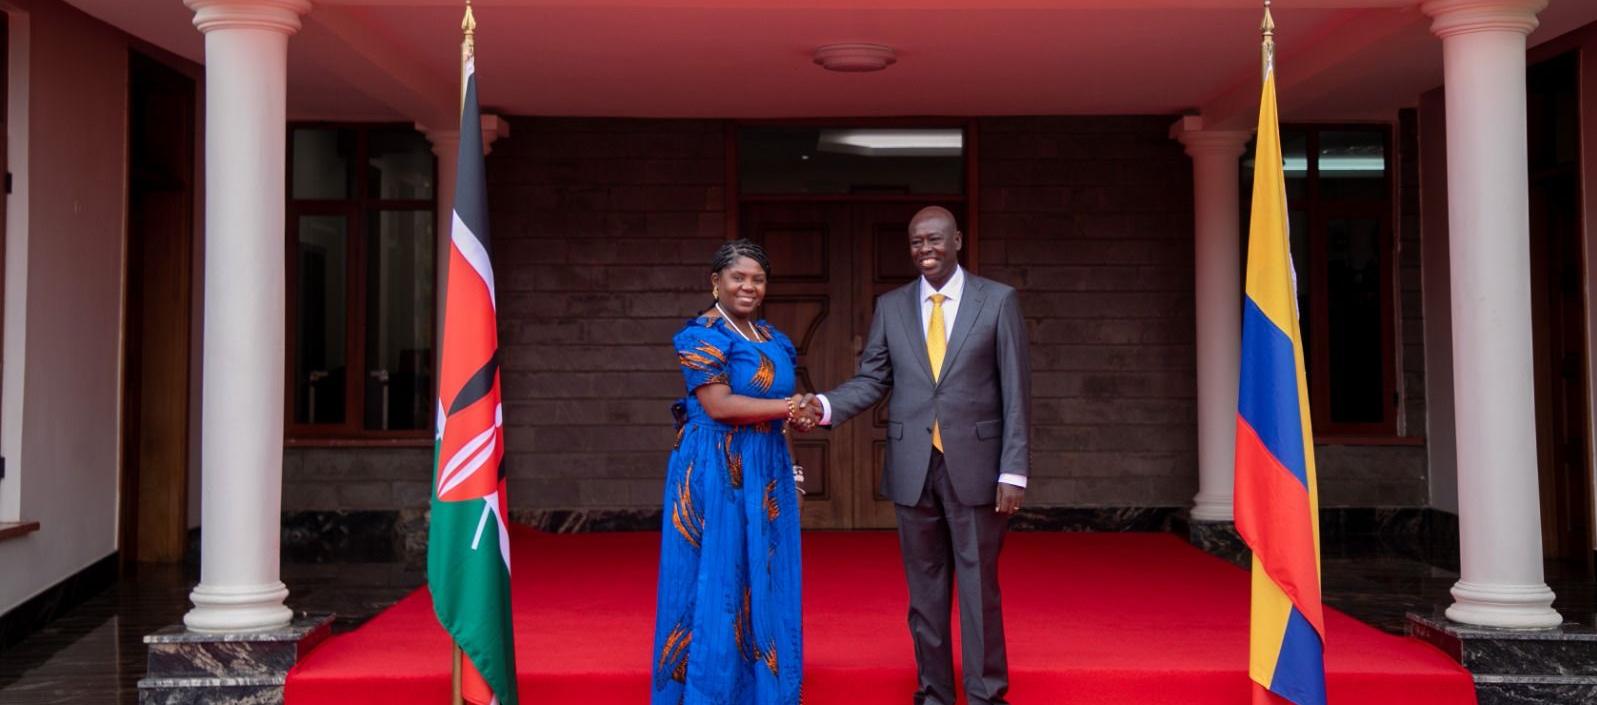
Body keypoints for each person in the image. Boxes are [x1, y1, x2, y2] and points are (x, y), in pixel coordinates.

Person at [810, 206, 1030, 705]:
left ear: (957, 241)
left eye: (934, 239)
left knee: (978, 587)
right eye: (916, 242)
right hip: (913, 466)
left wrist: (1014, 470)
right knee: (925, 591)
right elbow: (872, 379)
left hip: (977, 467)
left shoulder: (997, 301)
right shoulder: (891, 306)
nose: (924, 249)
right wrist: (823, 406)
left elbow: (1017, 391)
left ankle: (985, 695)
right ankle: (934, 693)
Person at [650, 239, 817, 705]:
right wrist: (790, 407)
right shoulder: (701, 335)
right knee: (718, 575)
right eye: (738, 277)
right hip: (714, 468)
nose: (748, 286)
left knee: (763, 570)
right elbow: (719, 405)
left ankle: (761, 687)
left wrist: (795, 475)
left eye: (758, 279)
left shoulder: (772, 338)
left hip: (767, 467)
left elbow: (781, 417)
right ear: (716, 282)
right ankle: (712, 691)